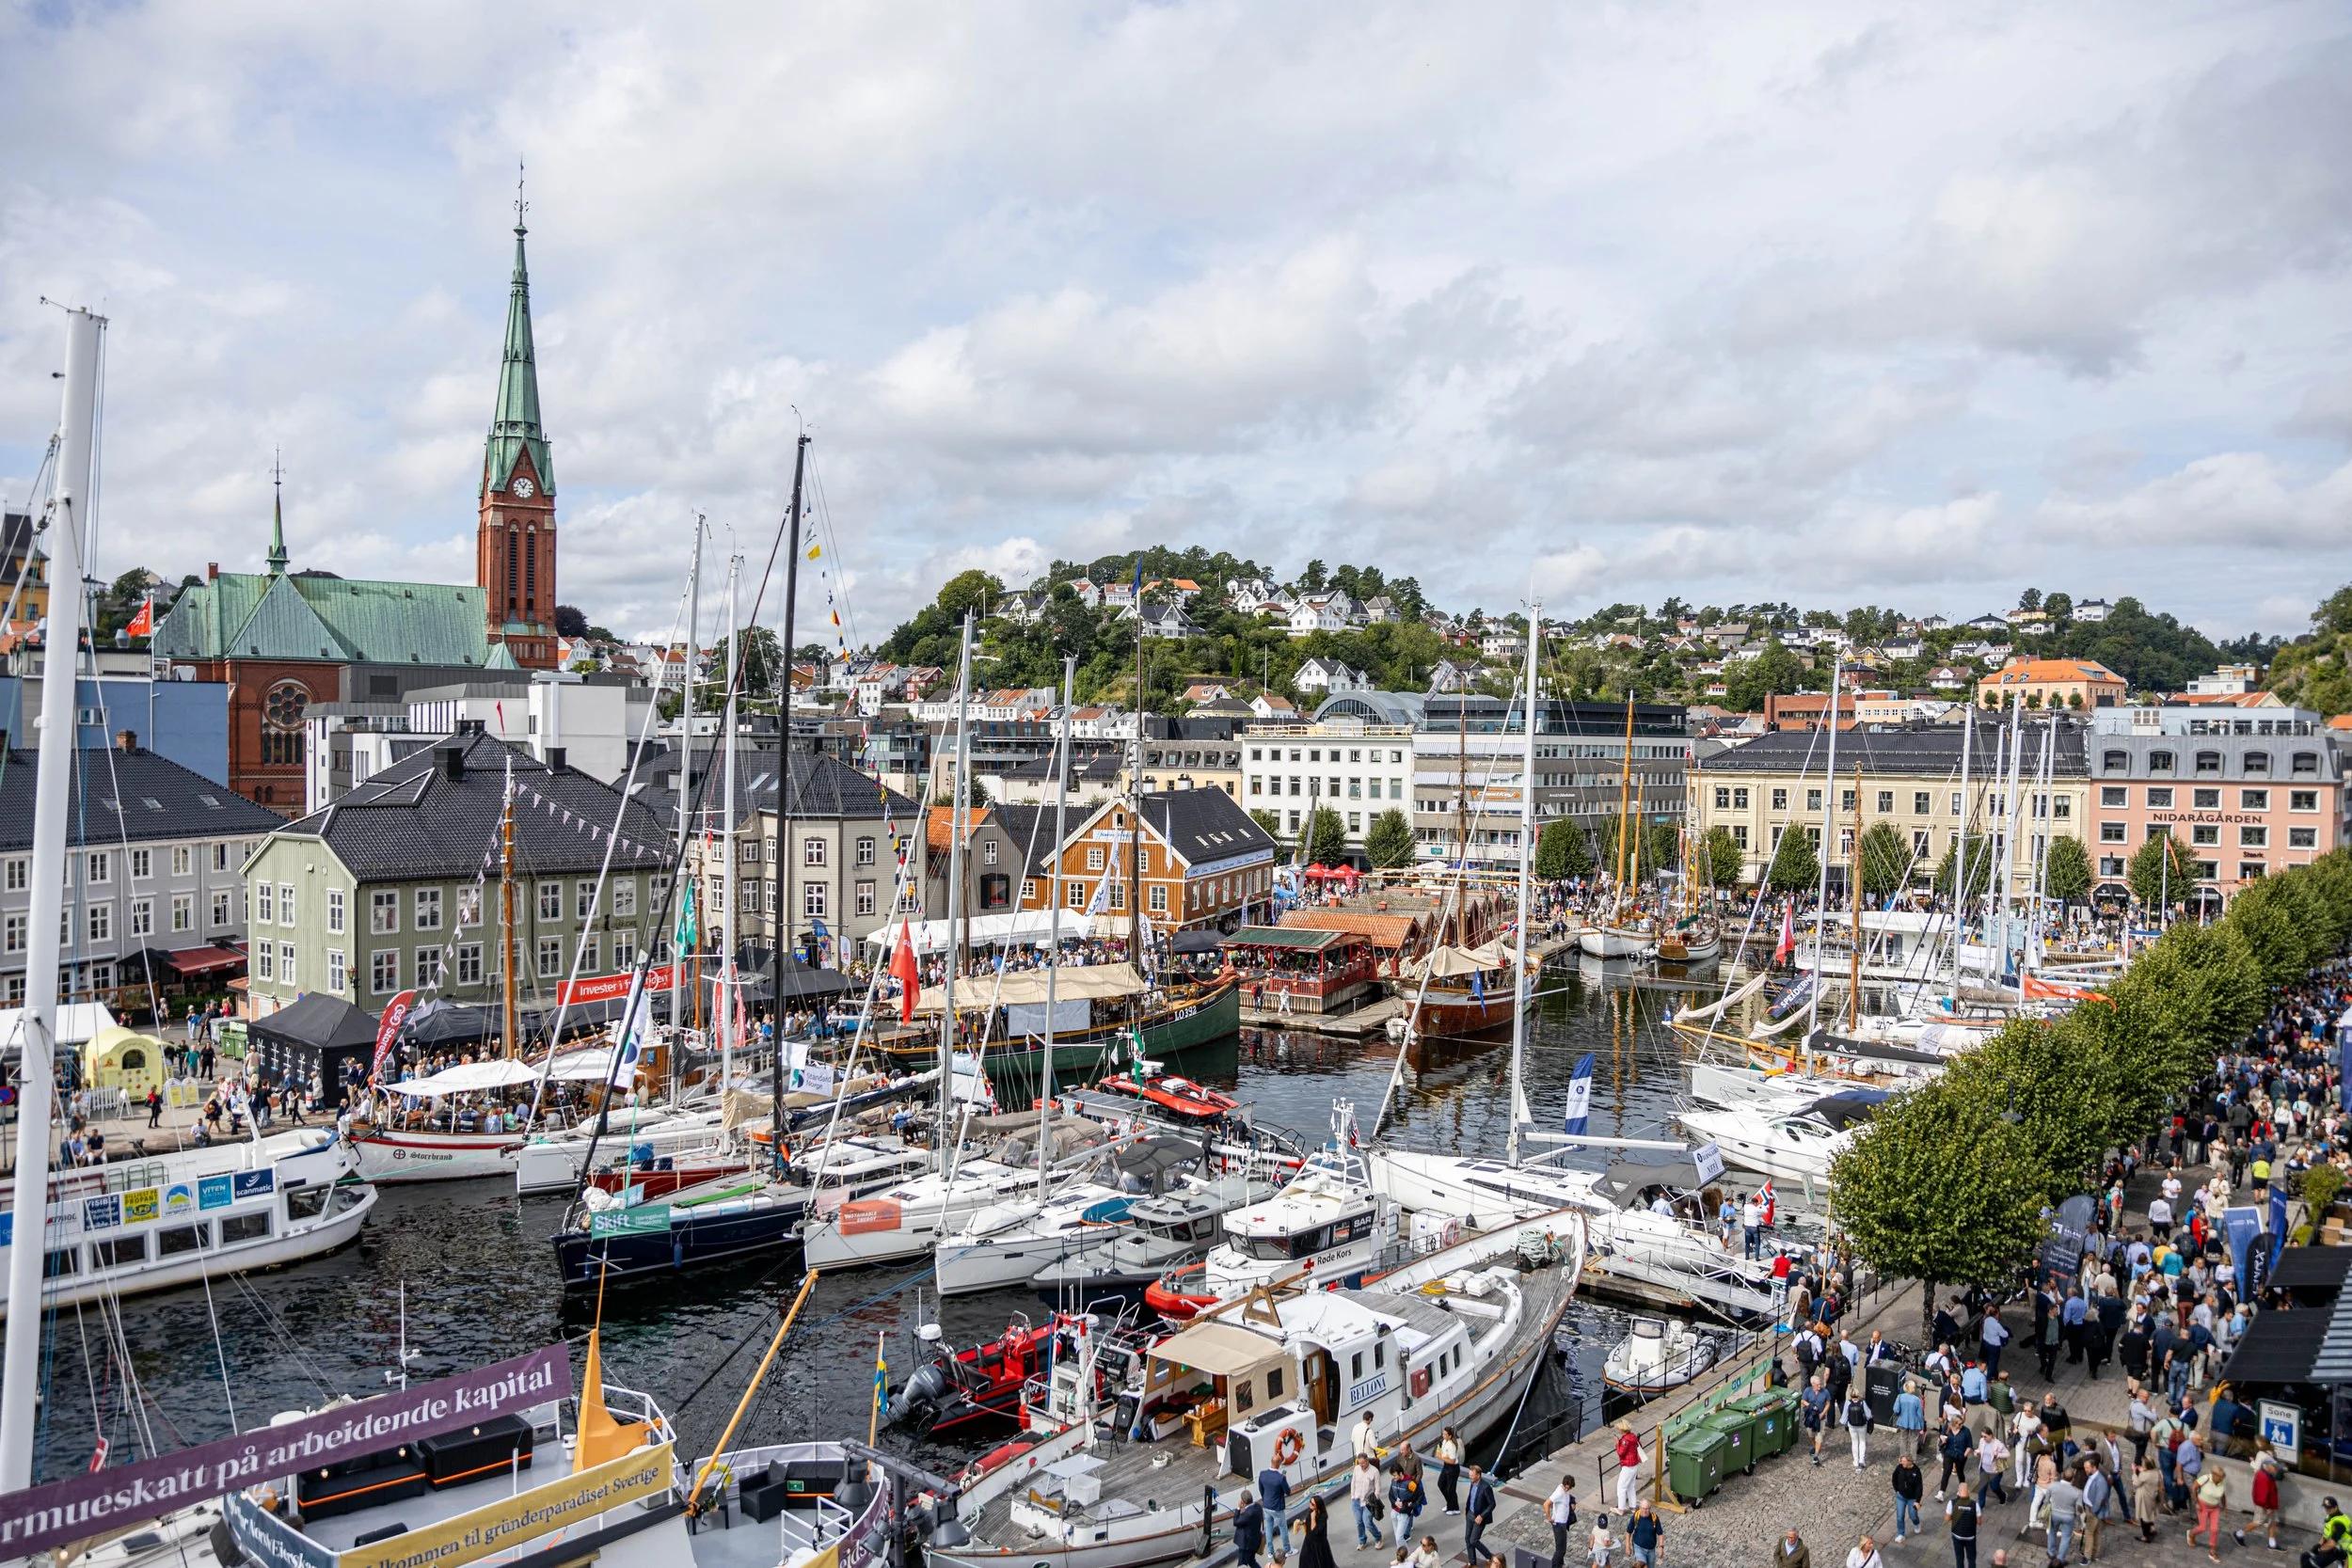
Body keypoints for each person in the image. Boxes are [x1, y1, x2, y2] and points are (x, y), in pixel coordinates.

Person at [2191, 1465, 2229, 1561]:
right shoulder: (2206, 1478)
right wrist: (2196, 1502)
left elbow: (2223, 1496)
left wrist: (2225, 1508)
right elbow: (2194, 1488)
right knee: (2203, 1527)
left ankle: (2212, 1551)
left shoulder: (2221, 1483)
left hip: (2215, 1508)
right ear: (2214, 1475)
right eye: (2220, 1477)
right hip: (2202, 1506)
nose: (2221, 1479)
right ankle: (2191, 1534)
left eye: (2222, 1478)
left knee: (2215, 1529)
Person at [2249, 1450, 2284, 1550]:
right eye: (2273, 1466)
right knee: (2258, 1522)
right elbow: (2262, 1495)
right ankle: (2239, 1534)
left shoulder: (2269, 1474)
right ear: (2267, 1465)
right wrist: (2267, 1507)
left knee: (2272, 1522)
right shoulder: (2263, 1477)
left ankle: (2272, 1544)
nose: (2275, 1469)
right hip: (2265, 1505)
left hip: (2270, 1504)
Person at [1389, 1461, 1424, 1552]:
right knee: (1398, 1537)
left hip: (1404, 1514)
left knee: (1398, 1538)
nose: (1393, 1478)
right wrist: (1395, 1503)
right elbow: (1390, 1495)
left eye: (1395, 1475)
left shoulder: (1410, 1483)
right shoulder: (1393, 1481)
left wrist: (1412, 1505)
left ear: (1400, 1473)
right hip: (1394, 1512)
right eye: (1392, 1475)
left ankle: (1406, 1555)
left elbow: (1420, 1495)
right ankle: (1401, 1556)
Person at [1462, 1465, 1495, 1563]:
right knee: (1467, 1539)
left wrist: (1481, 1516)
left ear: (1479, 1475)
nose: (1470, 1477)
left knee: (1473, 1540)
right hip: (1470, 1514)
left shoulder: (1485, 1487)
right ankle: (1472, 1562)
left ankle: (1489, 1556)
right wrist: (1467, 1508)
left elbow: (1492, 1504)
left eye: (1472, 1475)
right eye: (1469, 1475)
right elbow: (1472, 1497)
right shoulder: (1473, 1483)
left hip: (1479, 1517)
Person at [1258, 1462, 1291, 1553]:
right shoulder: (1281, 1478)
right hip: (1277, 1508)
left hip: (1266, 1506)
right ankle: (1287, 1550)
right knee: (1283, 1527)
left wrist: (1264, 1499)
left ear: (1271, 1462)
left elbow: (1261, 1489)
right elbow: (1288, 1492)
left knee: (1268, 1527)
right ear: (1279, 1465)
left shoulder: (1262, 1474)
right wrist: (1285, 1480)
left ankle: (1270, 1552)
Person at [1350, 1456, 1381, 1548]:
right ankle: (1362, 1540)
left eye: (1363, 1463)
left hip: (1368, 1502)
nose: (1361, 1465)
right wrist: (1352, 1496)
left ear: (1367, 1461)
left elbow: (1378, 1488)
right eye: (1359, 1463)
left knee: (1367, 1523)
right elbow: (1353, 1482)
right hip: (1356, 1500)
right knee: (1359, 1522)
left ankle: (1378, 1537)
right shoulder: (1356, 1469)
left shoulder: (1375, 1471)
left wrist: (1375, 1500)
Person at [1295, 1495, 1334, 1568]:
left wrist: (1313, 1518)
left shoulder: (1323, 1516)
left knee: (1319, 1563)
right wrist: (1302, 1523)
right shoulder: (1311, 1511)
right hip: (1308, 1540)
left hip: (1318, 1544)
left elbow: (1315, 1530)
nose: (1310, 1505)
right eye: (1310, 1502)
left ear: (1318, 1506)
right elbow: (1307, 1520)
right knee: (1303, 1558)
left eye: (1312, 1504)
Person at [1547, 1475, 1578, 1568]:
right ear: (1564, 1485)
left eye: (1569, 1488)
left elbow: (1569, 1498)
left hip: (1563, 1523)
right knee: (1561, 1550)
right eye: (1566, 1488)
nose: (1567, 1490)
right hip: (1559, 1524)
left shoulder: (1565, 1491)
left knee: (1560, 1547)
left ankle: (1560, 1564)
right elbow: (1546, 1504)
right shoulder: (1559, 1492)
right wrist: (1549, 1518)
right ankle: (1555, 1565)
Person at [1892, 1454, 1924, 1543]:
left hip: (1912, 1498)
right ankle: (1901, 1534)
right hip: (1901, 1496)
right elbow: (1894, 1478)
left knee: (1912, 1515)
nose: (1902, 1463)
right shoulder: (1899, 1468)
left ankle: (1916, 1523)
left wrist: (1917, 1501)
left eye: (1904, 1461)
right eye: (1901, 1461)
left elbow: (1919, 1486)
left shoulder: (1916, 1471)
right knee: (1900, 1516)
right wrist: (1897, 1490)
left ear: (1910, 1461)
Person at [1947, 1482, 1979, 1568]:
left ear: (1958, 1491)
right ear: (1968, 1492)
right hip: (1970, 1536)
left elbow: (1947, 1518)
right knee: (1972, 1559)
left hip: (1957, 1535)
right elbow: (1979, 1521)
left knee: (1959, 1559)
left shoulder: (1952, 1503)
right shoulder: (1975, 1505)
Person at [2131, 1461, 2165, 1543]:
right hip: (2152, 1496)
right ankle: (2152, 1528)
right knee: (2149, 1513)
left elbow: (2136, 1483)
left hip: (2144, 1497)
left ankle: (2145, 1536)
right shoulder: (2157, 1472)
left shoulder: (2145, 1475)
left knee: (2144, 1516)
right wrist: (2143, 1470)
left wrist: (2134, 1472)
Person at [1614, 1424, 1644, 1510]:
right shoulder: (1633, 1436)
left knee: (1621, 1487)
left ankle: (1621, 1508)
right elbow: (1639, 1445)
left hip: (1628, 1465)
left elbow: (1621, 1453)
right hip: (1634, 1464)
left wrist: (1617, 1443)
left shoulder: (1625, 1440)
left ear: (1622, 1430)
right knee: (1631, 1486)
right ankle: (1632, 1506)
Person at [1843, 1386, 1872, 1469]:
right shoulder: (1862, 1403)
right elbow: (1868, 1415)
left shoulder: (1848, 1403)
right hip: (1862, 1425)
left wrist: (1845, 1423)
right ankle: (1861, 1460)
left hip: (1852, 1426)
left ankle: (1855, 1461)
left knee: (1854, 1443)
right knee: (1862, 1442)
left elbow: (1844, 1416)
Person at [1626, 1503, 1662, 1568]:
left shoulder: (1654, 1518)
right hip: (1639, 1547)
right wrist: (1628, 1546)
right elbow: (1628, 1532)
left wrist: (1661, 1547)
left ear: (1650, 1509)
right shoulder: (1636, 1516)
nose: (1645, 1511)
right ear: (1640, 1508)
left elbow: (1660, 1533)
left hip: (1651, 1550)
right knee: (1643, 1566)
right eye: (1643, 1508)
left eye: (1647, 1509)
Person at [1234, 1490, 1264, 1568]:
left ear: (1243, 1502)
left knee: (1241, 1564)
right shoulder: (1258, 1506)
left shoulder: (1248, 1514)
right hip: (1255, 1541)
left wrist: (1238, 1509)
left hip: (1246, 1544)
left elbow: (1236, 1522)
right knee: (1251, 1561)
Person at [1438, 1427, 1465, 1514]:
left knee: (1451, 1489)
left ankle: (1455, 1508)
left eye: (1445, 1434)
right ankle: (1450, 1503)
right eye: (1443, 1434)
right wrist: (1443, 1456)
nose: (1443, 1435)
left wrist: (1441, 1457)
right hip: (1446, 1467)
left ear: (1450, 1436)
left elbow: (1452, 1461)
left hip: (1453, 1468)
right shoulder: (1444, 1442)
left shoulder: (1452, 1445)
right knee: (1441, 1484)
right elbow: (1444, 1454)